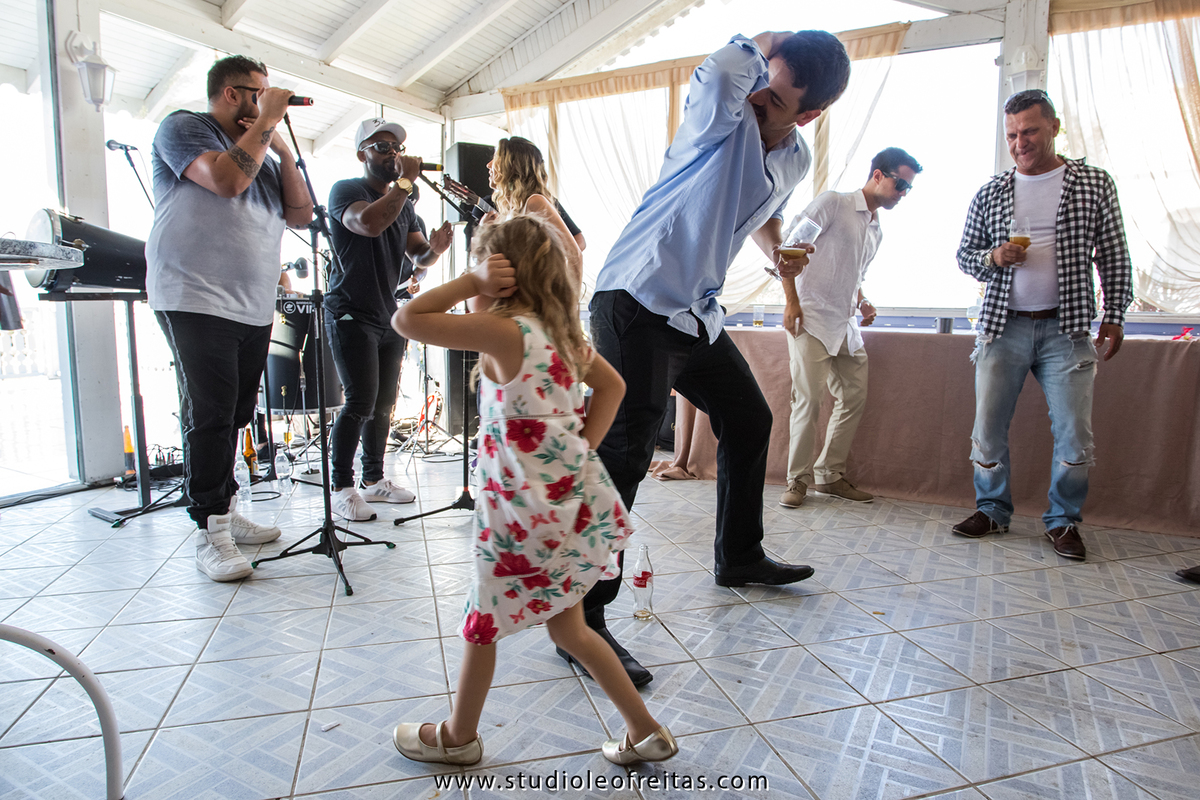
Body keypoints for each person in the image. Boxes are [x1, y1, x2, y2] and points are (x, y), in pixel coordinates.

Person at [580, 30, 851, 687]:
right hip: (638, 299)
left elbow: (757, 209)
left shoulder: (794, 158)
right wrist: (768, 42)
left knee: (749, 419)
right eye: (759, 83)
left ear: (808, 115)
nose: (756, 98)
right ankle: (582, 621)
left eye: (774, 100)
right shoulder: (719, 117)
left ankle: (739, 555)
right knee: (624, 455)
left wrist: (777, 254)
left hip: (694, 311)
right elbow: (724, 70)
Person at [389, 214, 678, 767]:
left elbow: (407, 318)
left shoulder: (506, 332)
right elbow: (613, 387)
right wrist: (582, 448)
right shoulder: (564, 339)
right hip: (565, 507)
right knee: (570, 628)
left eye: (485, 268)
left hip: (520, 517)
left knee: (483, 621)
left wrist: (470, 282)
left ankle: (458, 737)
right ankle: (645, 731)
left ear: (503, 276)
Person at [146, 55, 313, 581]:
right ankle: (209, 529)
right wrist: (267, 123)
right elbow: (225, 181)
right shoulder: (184, 127)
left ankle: (226, 507)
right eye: (258, 93)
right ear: (230, 94)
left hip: (252, 302)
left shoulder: (263, 152)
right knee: (212, 412)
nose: (267, 103)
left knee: (237, 412)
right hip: (193, 295)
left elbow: (302, 213)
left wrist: (282, 150)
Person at [952, 89, 1132, 560]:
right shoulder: (991, 191)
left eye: (1030, 131)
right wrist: (994, 256)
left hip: (1066, 330)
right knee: (988, 428)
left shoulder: (1093, 183)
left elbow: (1114, 254)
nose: (1020, 142)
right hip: (1002, 327)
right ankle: (992, 510)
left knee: (1074, 433)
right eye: (1012, 134)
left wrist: (1114, 315)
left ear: (1054, 127)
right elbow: (965, 255)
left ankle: (1063, 521)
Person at [324, 118, 452, 521]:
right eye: (382, 147)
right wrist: (405, 185)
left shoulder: (405, 204)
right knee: (359, 401)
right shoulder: (347, 190)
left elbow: (418, 256)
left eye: (396, 147)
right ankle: (341, 488)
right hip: (350, 311)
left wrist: (435, 249)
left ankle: (374, 479)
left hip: (388, 314)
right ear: (361, 154)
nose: (392, 153)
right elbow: (368, 223)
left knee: (383, 405)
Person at [779, 147, 922, 508]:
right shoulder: (833, 203)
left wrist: (863, 300)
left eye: (909, 188)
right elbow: (788, 250)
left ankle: (829, 475)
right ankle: (797, 481)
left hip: (845, 325)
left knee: (853, 397)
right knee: (808, 401)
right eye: (900, 184)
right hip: (810, 317)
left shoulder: (876, 231)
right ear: (878, 175)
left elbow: (854, 276)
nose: (904, 193)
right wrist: (791, 302)